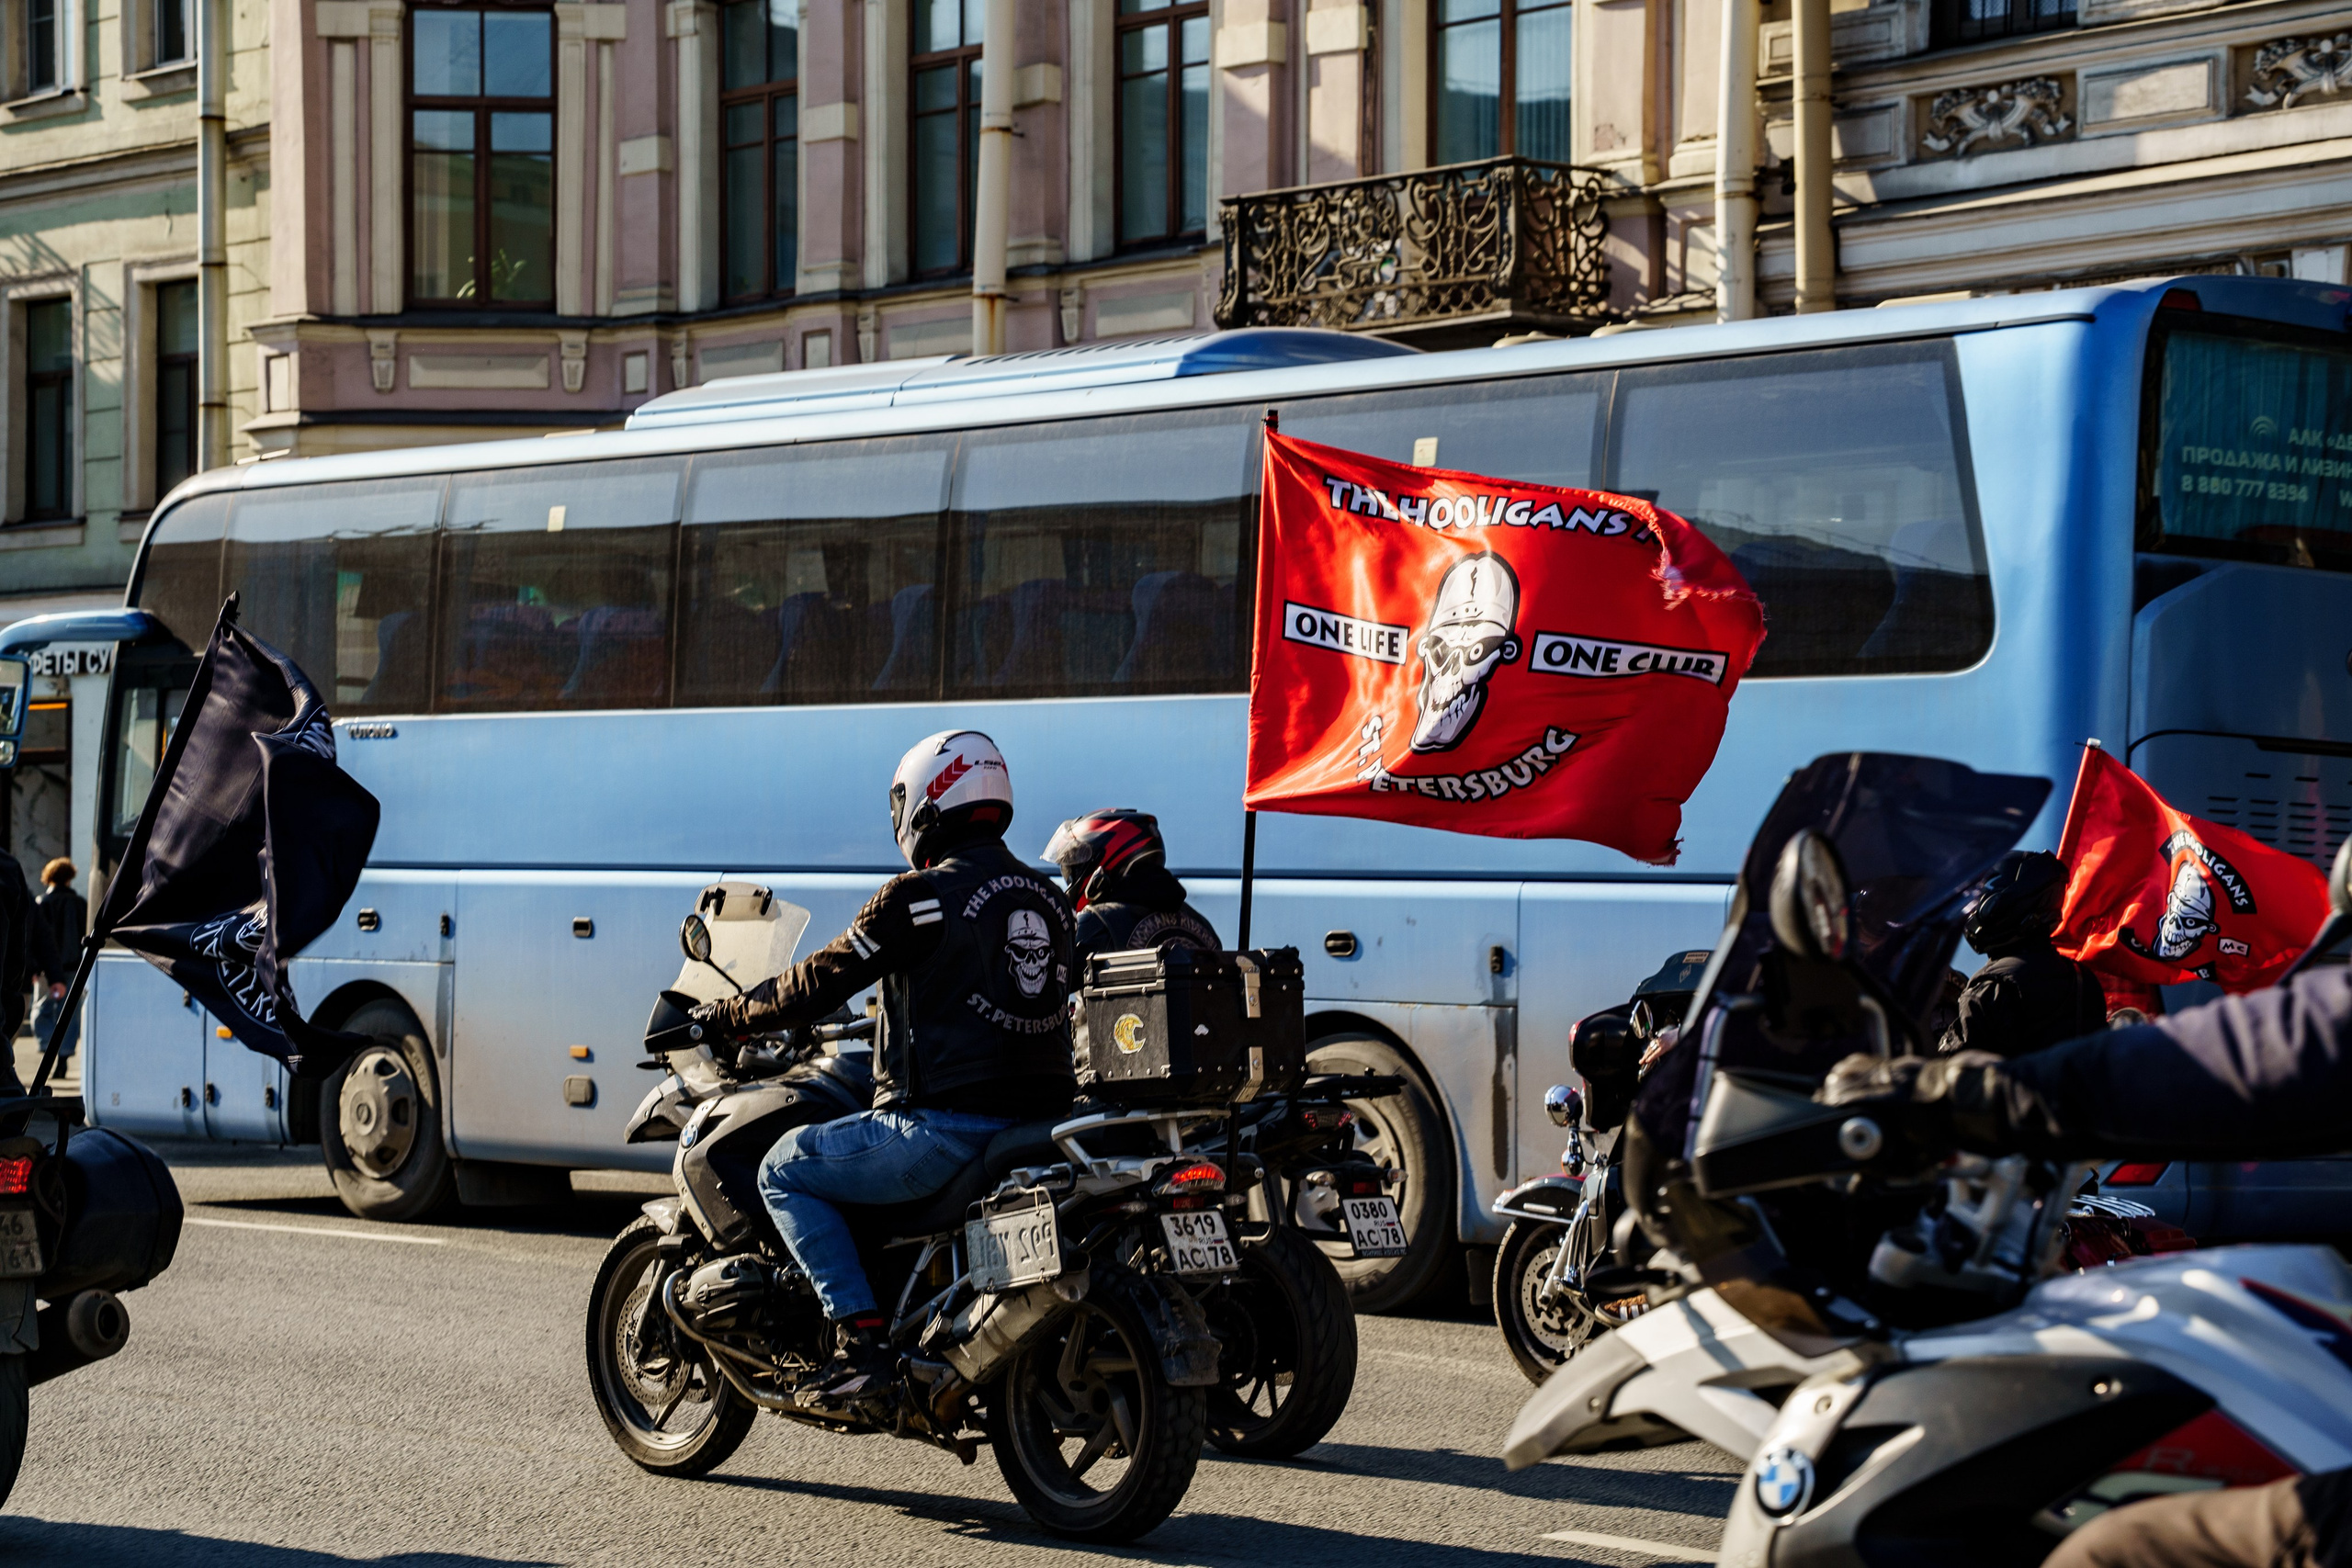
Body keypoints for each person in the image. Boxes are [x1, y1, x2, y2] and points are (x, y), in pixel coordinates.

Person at [1823, 962, 2352, 1568]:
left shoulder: (1995, 986)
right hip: (2061, 1146)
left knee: (2114, 1551)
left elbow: (2287, 1042)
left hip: (2031, 1132)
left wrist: (1993, 1093)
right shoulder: (2070, 975)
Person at [690, 730, 1077, 1401]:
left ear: (925, 802)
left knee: (783, 1168)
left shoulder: (918, 896)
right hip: (1042, 1126)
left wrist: (727, 1015)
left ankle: (858, 1342)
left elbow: (817, 981)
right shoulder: (1052, 899)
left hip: (943, 1131)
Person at [1937, 850, 2109, 1058]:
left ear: (2002, 905)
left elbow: (1955, 1074)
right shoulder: (2082, 978)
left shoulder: (1991, 989)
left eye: (1984, 898)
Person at [1042, 808, 1221, 964]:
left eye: (1074, 867)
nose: (1071, 876)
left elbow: (1045, 987)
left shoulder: (1098, 923)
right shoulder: (1203, 926)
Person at [32, 859, 85, 1063]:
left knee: (42, 1009)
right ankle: (63, 1055)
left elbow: (36, 938)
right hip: (73, 966)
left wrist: (34, 967)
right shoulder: (80, 904)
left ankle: (48, 1048)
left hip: (47, 968)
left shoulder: (42, 903)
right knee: (70, 1013)